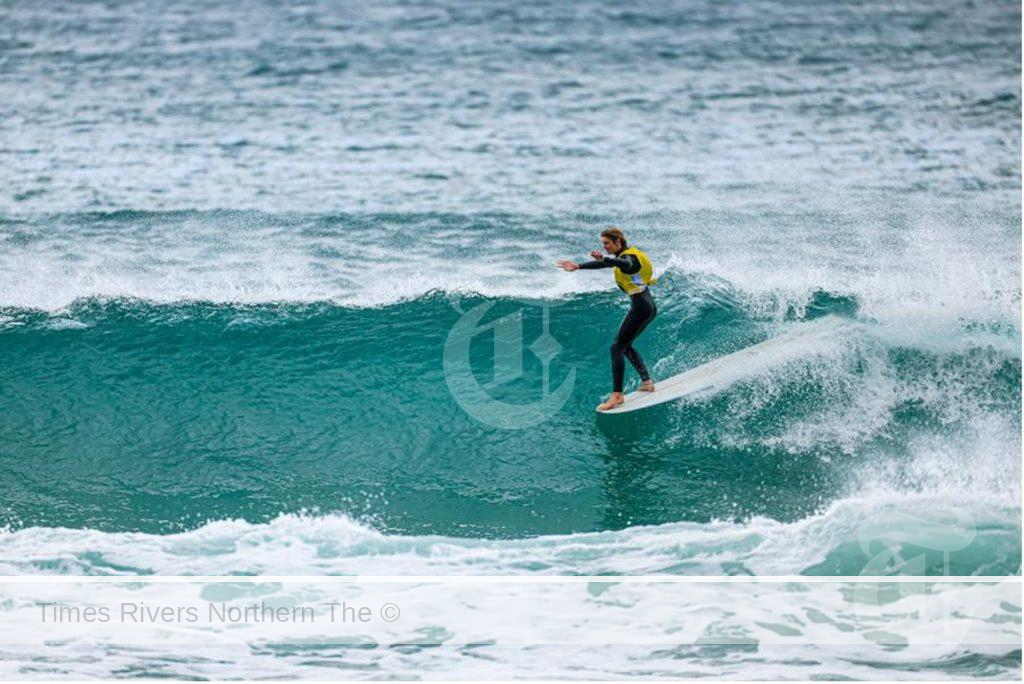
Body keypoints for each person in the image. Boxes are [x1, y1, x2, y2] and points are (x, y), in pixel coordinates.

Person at [557, 227, 658, 411]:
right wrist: (579, 266)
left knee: (616, 347)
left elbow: (625, 264)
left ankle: (617, 395)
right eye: (603, 243)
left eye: (607, 243)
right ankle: (647, 382)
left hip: (641, 308)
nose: (604, 246)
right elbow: (610, 264)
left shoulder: (630, 259)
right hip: (646, 306)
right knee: (624, 345)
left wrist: (606, 259)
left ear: (618, 242)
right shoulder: (622, 256)